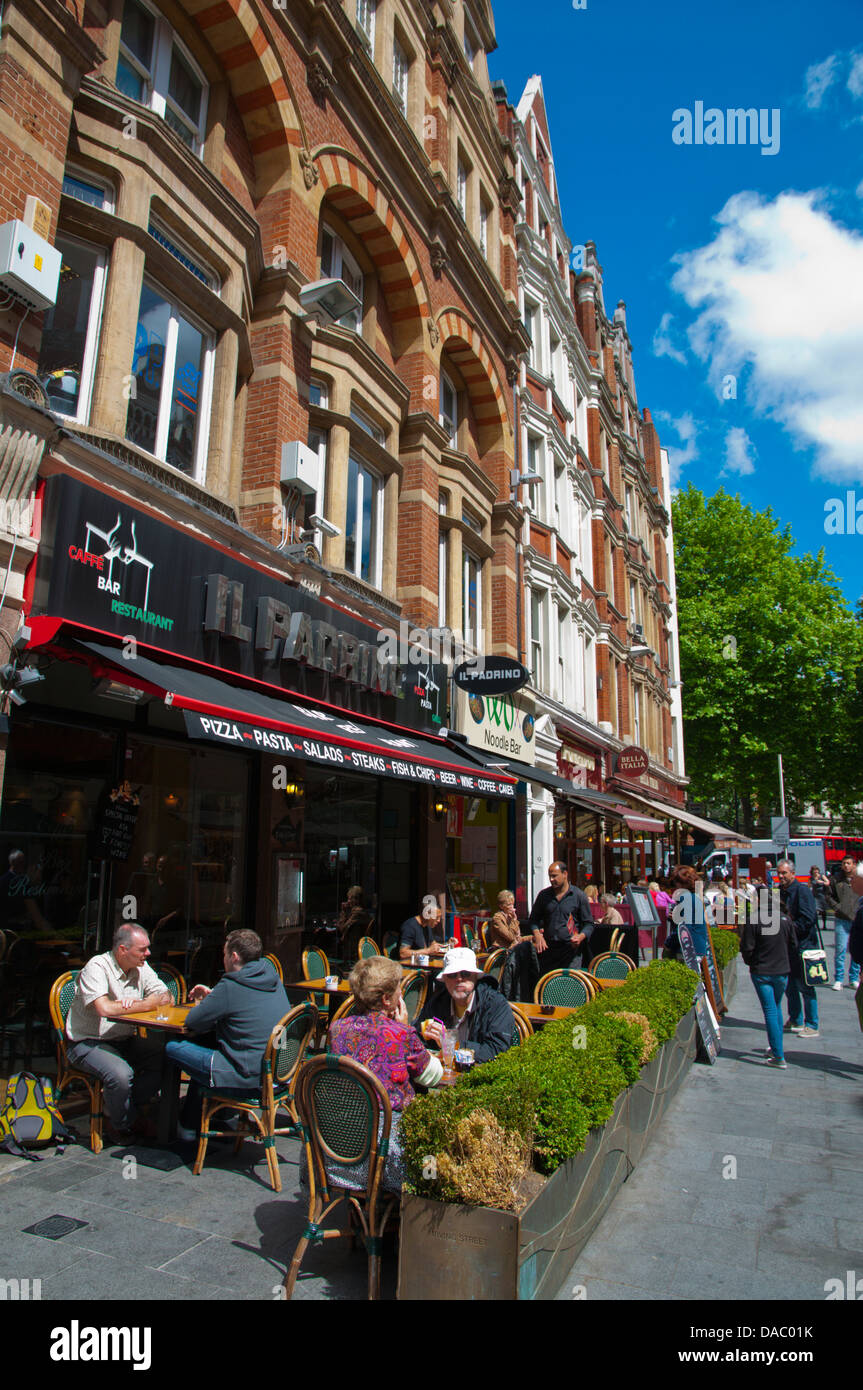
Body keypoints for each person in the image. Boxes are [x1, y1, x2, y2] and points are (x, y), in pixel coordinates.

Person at [327, 955, 443, 1190]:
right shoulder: (401, 1034)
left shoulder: (336, 1029)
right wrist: (404, 1027)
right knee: (436, 1158)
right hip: (386, 1151)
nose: (402, 993)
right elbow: (432, 1075)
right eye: (399, 987)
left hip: (338, 1142)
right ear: (387, 999)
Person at [165, 929, 288, 1137]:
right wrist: (215, 997)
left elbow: (193, 1022)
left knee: (173, 1046)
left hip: (248, 1078)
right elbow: (249, 1007)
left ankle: (186, 1125)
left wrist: (211, 1001)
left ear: (234, 957)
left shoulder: (231, 984)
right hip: (278, 1074)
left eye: (224, 954)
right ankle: (221, 1114)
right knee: (209, 1048)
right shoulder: (273, 978)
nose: (223, 959)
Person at [65, 923, 172, 1140]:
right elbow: (104, 1008)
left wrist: (136, 1003)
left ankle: (120, 1108)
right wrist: (144, 1004)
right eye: (142, 949)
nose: (148, 953)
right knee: (121, 1075)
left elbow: (166, 996)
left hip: (124, 1039)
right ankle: (124, 1123)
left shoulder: (142, 967)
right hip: (87, 1042)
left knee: (169, 1058)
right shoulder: (97, 967)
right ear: (123, 950)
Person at [417, 947, 514, 1062]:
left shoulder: (496, 1004)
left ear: (475, 977)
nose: (459, 979)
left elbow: (497, 1050)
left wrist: (451, 1044)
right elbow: (417, 1038)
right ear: (445, 980)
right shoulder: (437, 1002)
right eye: (452, 975)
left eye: (465, 973)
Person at [740, 889, 796, 1069]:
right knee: (776, 1007)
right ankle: (776, 1048)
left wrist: (752, 962)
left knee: (770, 1010)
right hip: (781, 970)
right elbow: (794, 945)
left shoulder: (754, 920)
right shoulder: (786, 920)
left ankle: (778, 1055)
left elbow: (747, 948)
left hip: (762, 971)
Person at [777, 860, 820, 1038]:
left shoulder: (802, 891)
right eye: (779, 873)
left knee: (806, 985)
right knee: (790, 985)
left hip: (804, 945)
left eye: (784, 873)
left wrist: (788, 927)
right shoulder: (779, 892)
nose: (781, 876)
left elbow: (809, 919)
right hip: (788, 947)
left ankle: (812, 1024)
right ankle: (795, 1018)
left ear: (792, 873)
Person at [825, 856, 862, 992]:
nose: (846, 866)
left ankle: (853, 978)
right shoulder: (836, 879)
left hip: (857, 919)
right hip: (841, 919)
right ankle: (839, 979)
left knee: (856, 949)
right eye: (844, 863)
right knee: (840, 950)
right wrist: (838, 908)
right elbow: (828, 896)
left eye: (848, 863)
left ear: (854, 865)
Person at [663, 865, 709, 960]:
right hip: (698, 946)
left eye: (676, 883)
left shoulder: (685, 898)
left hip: (688, 948)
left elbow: (684, 928)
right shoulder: (694, 897)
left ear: (681, 883)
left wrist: (668, 943)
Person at [399, 893, 445, 964]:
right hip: (410, 967)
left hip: (423, 964)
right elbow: (403, 953)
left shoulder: (427, 925)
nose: (439, 920)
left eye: (439, 917)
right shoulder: (410, 926)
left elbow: (433, 944)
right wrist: (428, 951)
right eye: (436, 917)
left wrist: (448, 945)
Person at [335, 884, 373, 961]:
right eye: (348, 899)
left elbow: (342, 928)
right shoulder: (360, 912)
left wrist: (343, 912)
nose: (348, 901)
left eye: (350, 899)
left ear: (357, 900)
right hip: (354, 948)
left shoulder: (358, 913)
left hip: (354, 950)